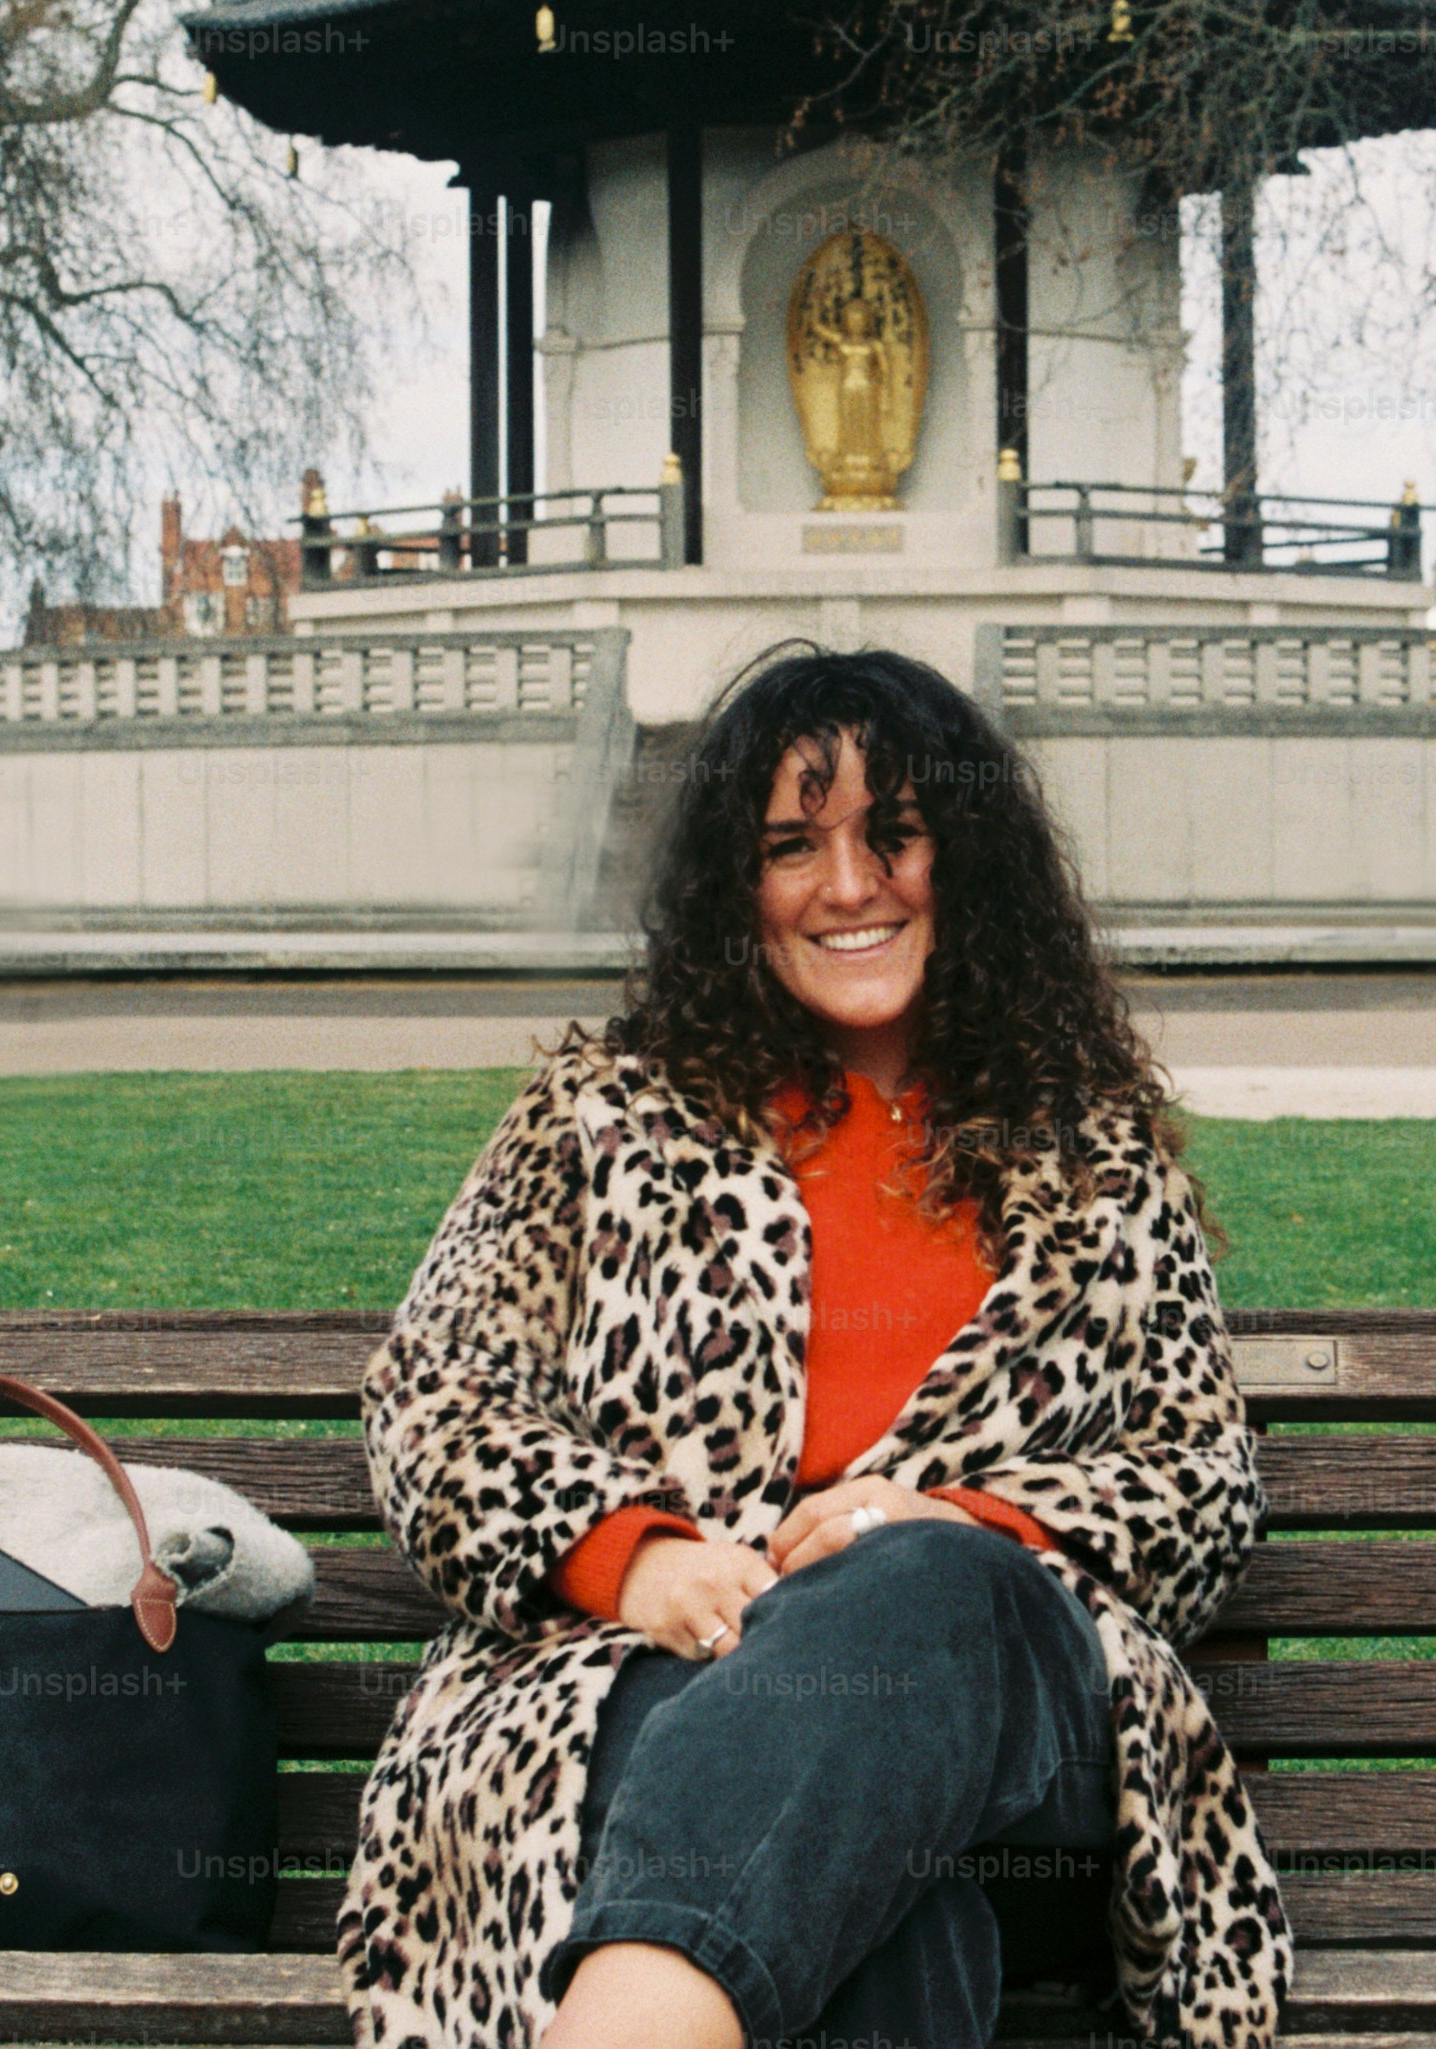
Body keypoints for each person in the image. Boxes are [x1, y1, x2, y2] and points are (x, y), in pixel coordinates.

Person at [343, 647, 1285, 2049]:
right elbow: (434, 1402)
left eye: (892, 836)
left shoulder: (1090, 1152)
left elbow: (1202, 1474)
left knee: (919, 1586)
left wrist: (952, 1519)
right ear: (738, 886)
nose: (847, 887)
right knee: (886, 1922)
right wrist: (638, 1559)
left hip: (1020, 1741)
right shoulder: (608, 1121)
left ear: (964, 862)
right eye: (792, 845)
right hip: (653, 1706)